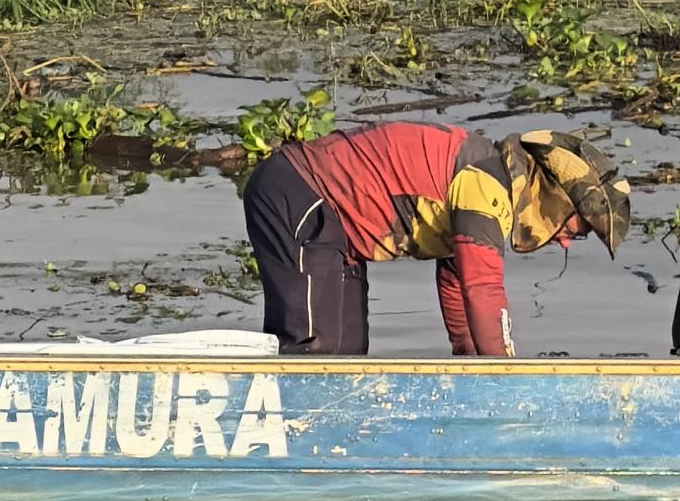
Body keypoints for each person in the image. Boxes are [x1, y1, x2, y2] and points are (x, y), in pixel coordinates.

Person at [239, 120, 630, 355]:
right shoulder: (485, 182)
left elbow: (458, 285)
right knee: (312, 353)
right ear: (560, 201)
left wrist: (470, 365)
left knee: (347, 362)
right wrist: (508, 382)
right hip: (300, 192)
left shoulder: (494, 192)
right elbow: (483, 290)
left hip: (343, 234)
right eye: (576, 232)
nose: (563, 242)